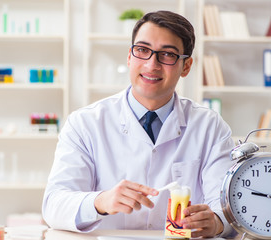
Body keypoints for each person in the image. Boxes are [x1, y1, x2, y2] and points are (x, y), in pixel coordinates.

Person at [42, 10, 236, 238]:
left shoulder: (210, 127)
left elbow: (228, 209)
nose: (151, 64)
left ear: (186, 66)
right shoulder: (84, 123)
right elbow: (54, 205)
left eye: (168, 54)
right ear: (129, 57)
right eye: (142, 50)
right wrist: (100, 201)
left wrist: (215, 222)